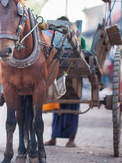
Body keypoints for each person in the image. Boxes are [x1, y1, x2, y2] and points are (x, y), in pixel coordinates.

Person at [45, 16, 81, 147]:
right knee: (57, 107)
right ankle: (53, 138)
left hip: (74, 78)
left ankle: (71, 139)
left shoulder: (79, 38)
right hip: (56, 74)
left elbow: (83, 54)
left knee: (73, 106)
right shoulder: (49, 38)